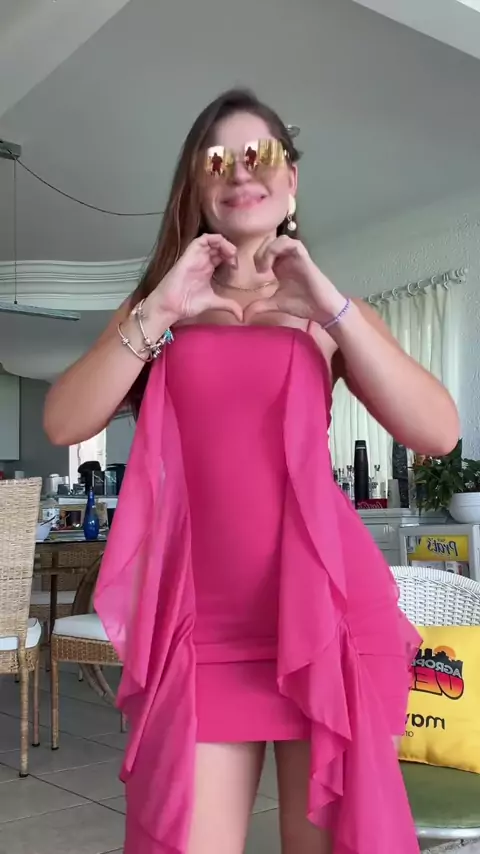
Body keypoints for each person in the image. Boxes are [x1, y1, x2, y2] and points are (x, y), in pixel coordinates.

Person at [44, 89, 459, 854]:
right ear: (196, 187)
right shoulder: (157, 312)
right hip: (202, 627)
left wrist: (328, 306)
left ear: (290, 180)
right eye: (216, 160)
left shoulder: (329, 315)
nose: (239, 171)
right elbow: (64, 424)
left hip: (326, 617)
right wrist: (160, 308)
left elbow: (438, 431)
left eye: (259, 154)